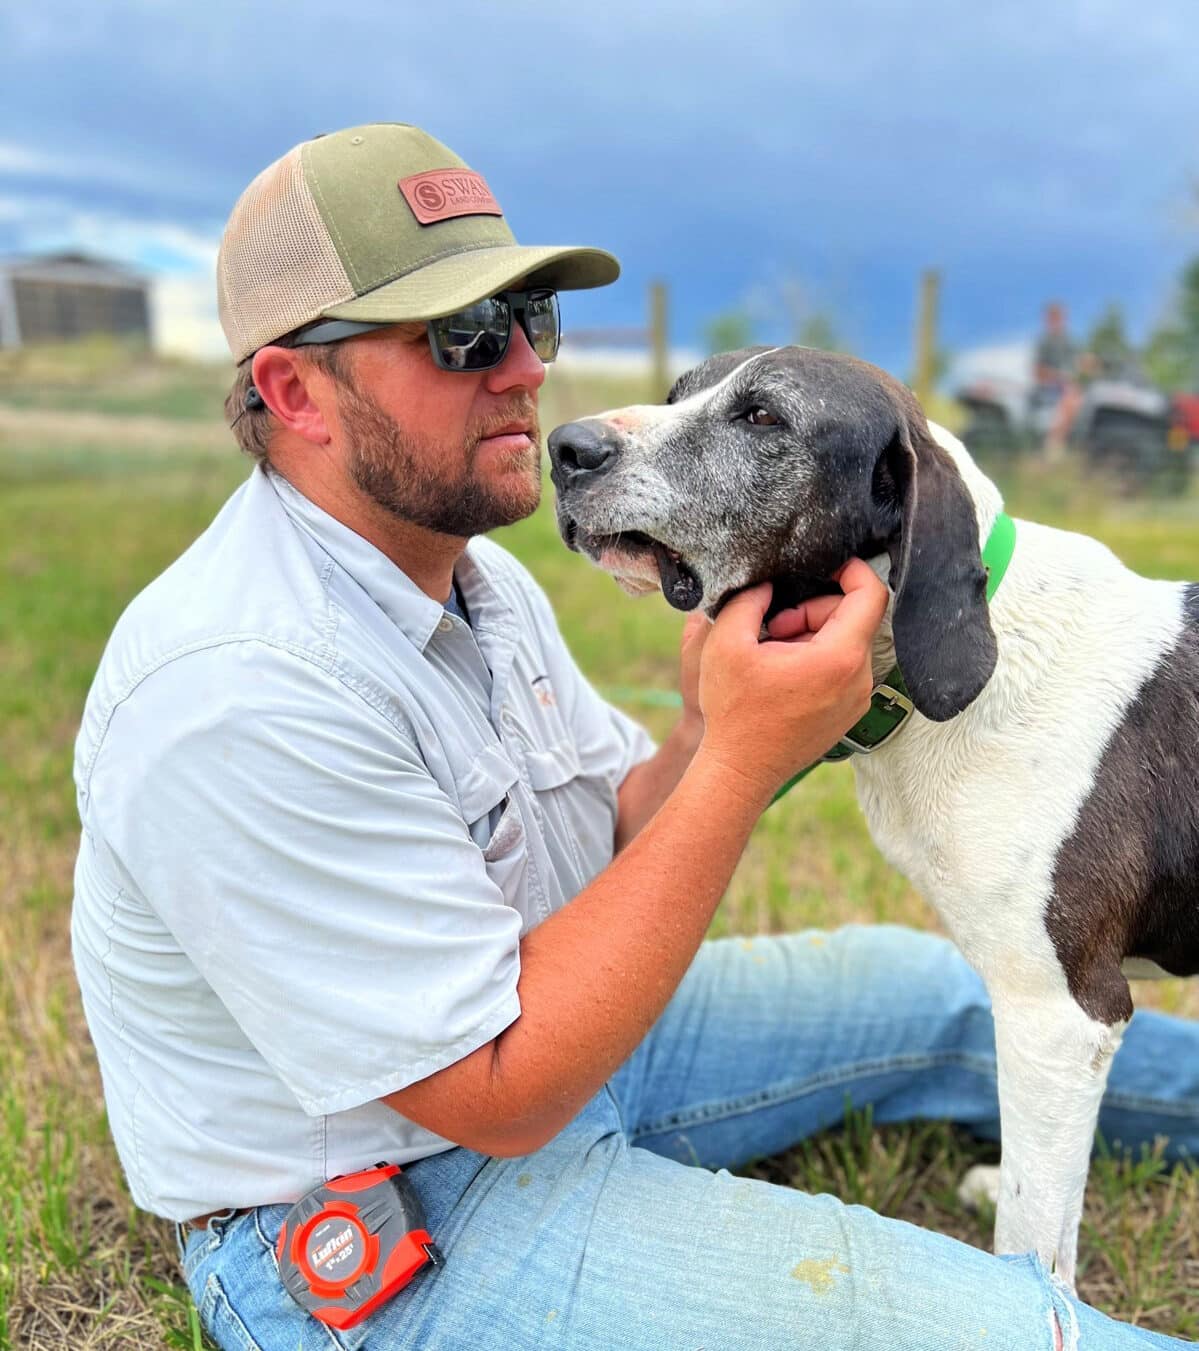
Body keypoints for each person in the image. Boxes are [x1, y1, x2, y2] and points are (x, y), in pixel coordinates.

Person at [70, 123, 1199, 1350]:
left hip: (568, 1036)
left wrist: (709, 723)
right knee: (1013, 1332)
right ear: (295, 392)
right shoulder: (238, 687)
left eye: (529, 318)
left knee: (944, 998)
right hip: (396, 1206)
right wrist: (740, 761)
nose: (523, 370)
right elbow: (494, 1094)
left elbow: (614, 828)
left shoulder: (470, 582)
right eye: (463, 334)